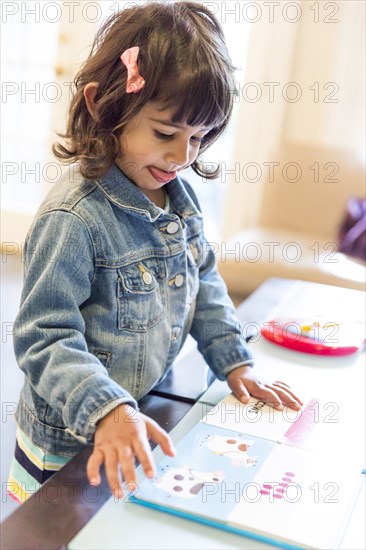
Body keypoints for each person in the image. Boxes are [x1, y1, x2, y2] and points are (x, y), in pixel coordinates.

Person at [8, 1, 302, 503]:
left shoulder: (176, 198)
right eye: (165, 134)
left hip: (139, 415)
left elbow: (203, 282)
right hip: (69, 441)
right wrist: (108, 411)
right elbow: (44, 335)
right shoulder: (73, 218)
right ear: (104, 107)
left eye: (199, 138)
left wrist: (235, 363)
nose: (182, 156)